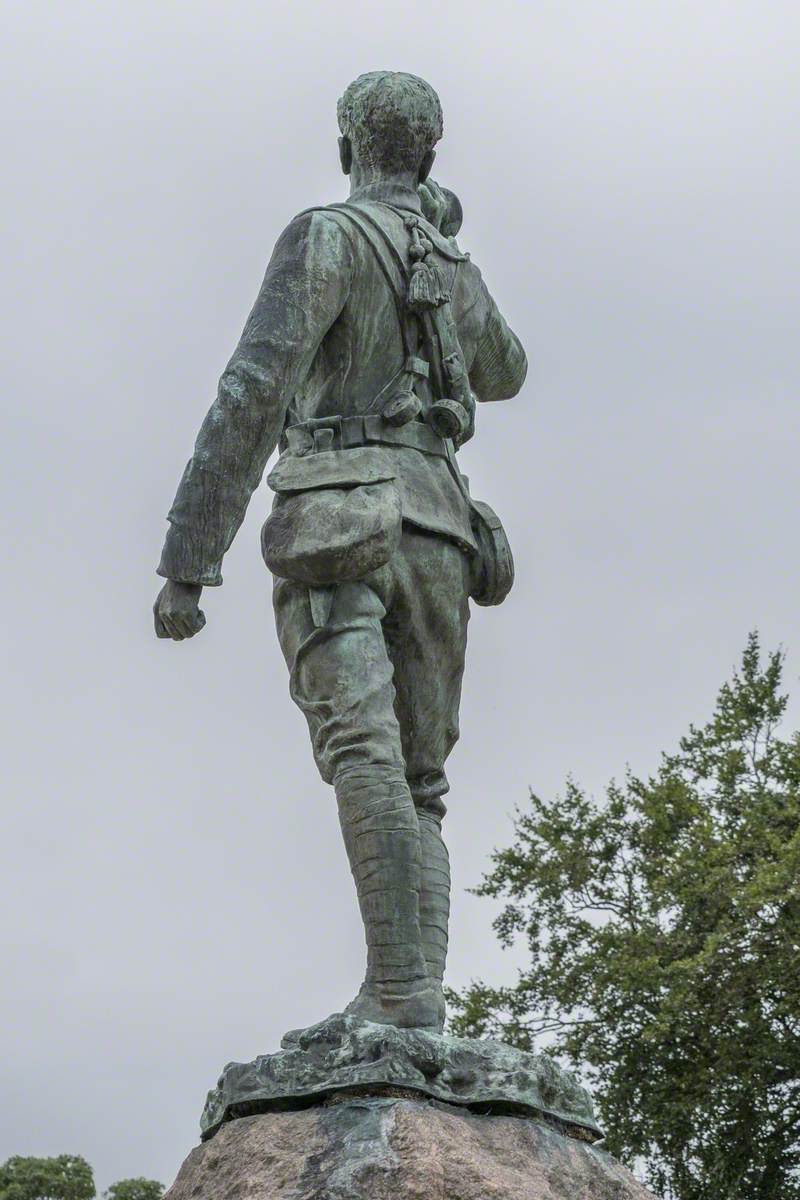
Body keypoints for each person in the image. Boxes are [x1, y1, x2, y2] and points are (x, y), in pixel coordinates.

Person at [153, 71, 527, 1032]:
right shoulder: (443, 255)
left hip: (337, 524)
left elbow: (254, 388)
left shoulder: (327, 234)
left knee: (365, 750)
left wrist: (190, 555)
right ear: (431, 152)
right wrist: (443, 245)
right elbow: (505, 369)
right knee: (421, 780)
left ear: (347, 144)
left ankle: (402, 994)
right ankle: (414, 1001)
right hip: (441, 526)